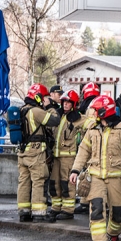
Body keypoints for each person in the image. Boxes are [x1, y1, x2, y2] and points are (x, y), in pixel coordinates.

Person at [69, 95, 121, 241]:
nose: (93, 114)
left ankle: (113, 235)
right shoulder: (92, 129)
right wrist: (75, 170)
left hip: (116, 177)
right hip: (96, 177)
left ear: (104, 111)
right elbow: (83, 151)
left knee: (119, 211)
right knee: (97, 209)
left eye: (95, 110)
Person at [17, 83, 60, 223]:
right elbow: (55, 121)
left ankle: (24, 212)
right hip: (35, 152)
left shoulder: (22, 109)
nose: (44, 99)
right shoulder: (36, 111)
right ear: (38, 97)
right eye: (43, 97)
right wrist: (49, 106)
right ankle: (39, 213)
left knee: (24, 182)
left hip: (23, 152)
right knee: (38, 181)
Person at [49, 90, 90, 220]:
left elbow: (91, 124)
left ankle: (67, 210)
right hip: (55, 156)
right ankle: (56, 208)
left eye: (69, 103)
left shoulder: (78, 118)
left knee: (67, 183)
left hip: (68, 157)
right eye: (64, 102)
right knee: (54, 183)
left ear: (74, 104)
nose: (66, 105)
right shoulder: (58, 115)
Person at [74, 82, 100, 214]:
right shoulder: (98, 103)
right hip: (98, 143)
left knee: (88, 172)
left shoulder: (90, 106)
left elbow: (89, 125)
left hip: (90, 142)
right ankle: (87, 202)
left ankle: (85, 202)